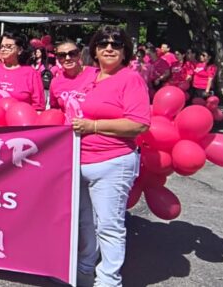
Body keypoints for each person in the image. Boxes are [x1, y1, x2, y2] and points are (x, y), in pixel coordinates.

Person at [72, 26, 151, 287]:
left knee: (109, 226)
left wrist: (93, 127)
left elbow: (139, 124)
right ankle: (84, 270)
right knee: (85, 223)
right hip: (79, 161)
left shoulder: (130, 79)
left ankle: (108, 280)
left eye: (116, 44)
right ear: (94, 50)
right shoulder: (89, 77)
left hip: (112, 163)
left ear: (125, 51)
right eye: (103, 43)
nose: (109, 48)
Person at [0, 32, 45, 116]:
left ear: (20, 50)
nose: (3, 49)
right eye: (2, 46)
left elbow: (38, 108)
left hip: (18, 126)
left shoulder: (31, 74)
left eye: (8, 47)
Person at [49, 39, 98, 121]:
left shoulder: (96, 74)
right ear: (57, 58)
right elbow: (55, 110)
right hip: (68, 131)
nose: (67, 58)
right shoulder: (55, 82)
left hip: (93, 129)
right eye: (62, 55)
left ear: (79, 55)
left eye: (72, 54)